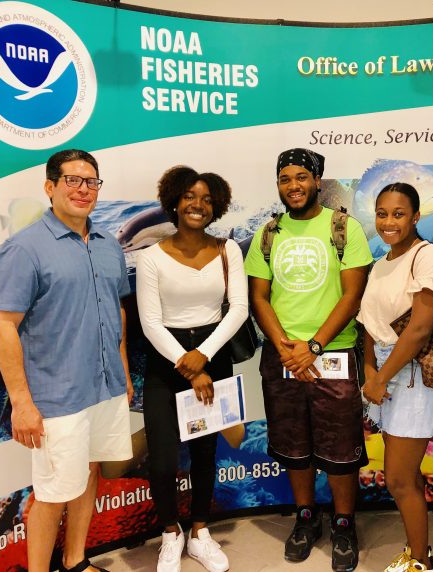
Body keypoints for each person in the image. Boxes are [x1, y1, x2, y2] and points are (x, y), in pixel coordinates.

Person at [0, 149, 133, 572]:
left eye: (91, 182)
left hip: (104, 388)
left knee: (88, 473)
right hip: (57, 395)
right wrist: (21, 403)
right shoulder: (23, 249)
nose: (83, 189)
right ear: (50, 187)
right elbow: (3, 327)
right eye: (72, 180)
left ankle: (75, 560)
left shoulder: (110, 245)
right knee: (52, 492)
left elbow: (116, 310)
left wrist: (122, 370)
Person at [244, 148, 372, 572]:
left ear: (318, 181)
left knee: (339, 448)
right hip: (281, 355)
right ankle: (305, 516)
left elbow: (353, 296)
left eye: (302, 177)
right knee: (293, 444)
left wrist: (313, 347)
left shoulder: (343, 228)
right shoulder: (268, 233)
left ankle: (343, 521)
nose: (293, 186)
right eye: (285, 178)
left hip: (332, 354)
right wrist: (283, 345)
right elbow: (258, 296)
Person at [136, 166, 248, 572]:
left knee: (205, 451)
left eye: (205, 198)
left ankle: (200, 531)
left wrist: (204, 356)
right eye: (189, 196)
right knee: (164, 459)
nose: (197, 205)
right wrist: (189, 365)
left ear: (215, 205)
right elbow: (150, 322)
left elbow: (238, 309)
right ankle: (171, 532)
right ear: (174, 202)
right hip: (167, 363)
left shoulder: (227, 250)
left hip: (213, 353)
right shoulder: (150, 257)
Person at [359, 183, 433, 572]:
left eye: (398, 214)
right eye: (382, 213)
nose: (388, 221)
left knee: (399, 478)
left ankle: (420, 560)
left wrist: (380, 376)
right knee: (404, 475)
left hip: (411, 374)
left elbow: (419, 329)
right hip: (382, 368)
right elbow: (369, 323)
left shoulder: (427, 258)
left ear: (416, 217)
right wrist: (368, 368)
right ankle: (417, 552)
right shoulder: (381, 263)